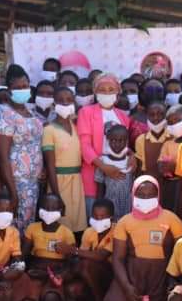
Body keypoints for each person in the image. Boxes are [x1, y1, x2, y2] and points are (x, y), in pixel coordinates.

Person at [102, 175, 182, 301]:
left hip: (161, 273)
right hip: (134, 273)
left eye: (151, 195)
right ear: (133, 195)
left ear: (158, 195)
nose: (146, 198)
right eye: (141, 194)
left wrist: (173, 278)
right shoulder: (125, 222)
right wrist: (126, 286)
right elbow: (118, 259)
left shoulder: (171, 218)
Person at [0, 64, 44, 229]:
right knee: (14, 228)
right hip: (14, 183)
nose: (22, 90)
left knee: (29, 228)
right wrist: (12, 192)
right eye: (17, 87)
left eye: (25, 86)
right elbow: (1, 157)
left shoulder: (32, 113)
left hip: (33, 184)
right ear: (9, 91)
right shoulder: (4, 115)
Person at [77, 73, 132, 218]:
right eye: (102, 90)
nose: (107, 93)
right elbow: (85, 145)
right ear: (95, 92)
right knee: (96, 214)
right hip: (94, 172)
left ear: (118, 93)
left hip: (118, 174)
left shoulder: (123, 116)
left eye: (111, 89)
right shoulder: (86, 112)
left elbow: (125, 143)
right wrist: (103, 167)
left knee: (118, 214)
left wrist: (132, 156)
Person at [41, 85, 85, 232]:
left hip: (77, 181)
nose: (65, 104)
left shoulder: (78, 126)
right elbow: (50, 165)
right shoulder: (49, 130)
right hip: (58, 181)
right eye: (61, 101)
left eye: (69, 100)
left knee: (77, 225)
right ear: (54, 104)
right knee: (60, 224)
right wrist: (56, 194)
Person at [22, 192, 76, 301]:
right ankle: (36, 295)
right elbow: (24, 254)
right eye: (45, 208)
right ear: (39, 210)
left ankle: (48, 295)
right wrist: (26, 269)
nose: (49, 212)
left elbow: (71, 261)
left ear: (60, 211)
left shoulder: (66, 232)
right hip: (37, 269)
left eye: (53, 209)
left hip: (57, 271)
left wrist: (61, 274)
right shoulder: (32, 228)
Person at [68, 198, 115, 301]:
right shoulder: (89, 232)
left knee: (88, 264)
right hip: (93, 273)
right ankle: (94, 300)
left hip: (112, 275)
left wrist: (73, 250)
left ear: (111, 217)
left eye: (102, 217)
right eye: (95, 216)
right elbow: (83, 256)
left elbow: (101, 256)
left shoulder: (117, 231)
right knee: (74, 289)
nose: (98, 220)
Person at [94, 125, 135, 218]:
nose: (117, 144)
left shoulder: (131, 161)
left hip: (128, 206)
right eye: (113, 140)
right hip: (109, 205)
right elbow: (100, 188)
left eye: (121, 140)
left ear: (127, 141)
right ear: (108, 141)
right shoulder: (103, 161)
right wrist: (99, 207)